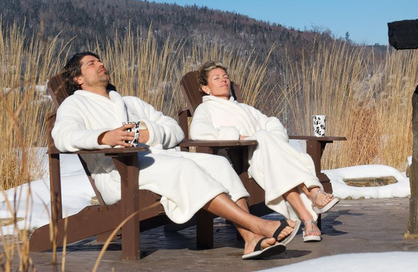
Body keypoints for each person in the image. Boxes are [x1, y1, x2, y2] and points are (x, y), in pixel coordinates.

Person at [52, 52, 299, 260]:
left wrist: (152, 134)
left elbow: (175, 129)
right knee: (185, 170)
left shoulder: (130, 103)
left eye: (100, 60)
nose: (100, 64)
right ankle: (257, 225)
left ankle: (250, 239)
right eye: (91, 63)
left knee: (219, 163)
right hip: (118, 172)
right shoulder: (74, 105)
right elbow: (62, 136)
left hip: (154, 159)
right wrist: (104, 136)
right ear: (78, 78)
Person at [190, 61, 339, 243]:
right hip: (243, 161)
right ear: (205, 88)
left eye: (226, 77)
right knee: (265, 140)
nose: (224, 80)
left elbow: (272, 123)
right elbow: (198, 132)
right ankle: (311, 191)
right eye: (217, 78)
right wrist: (238, 136)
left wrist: (272, 137)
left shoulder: (245, 109)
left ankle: (307, 220)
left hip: (268, 157)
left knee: (269, 148)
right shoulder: (205, 109)